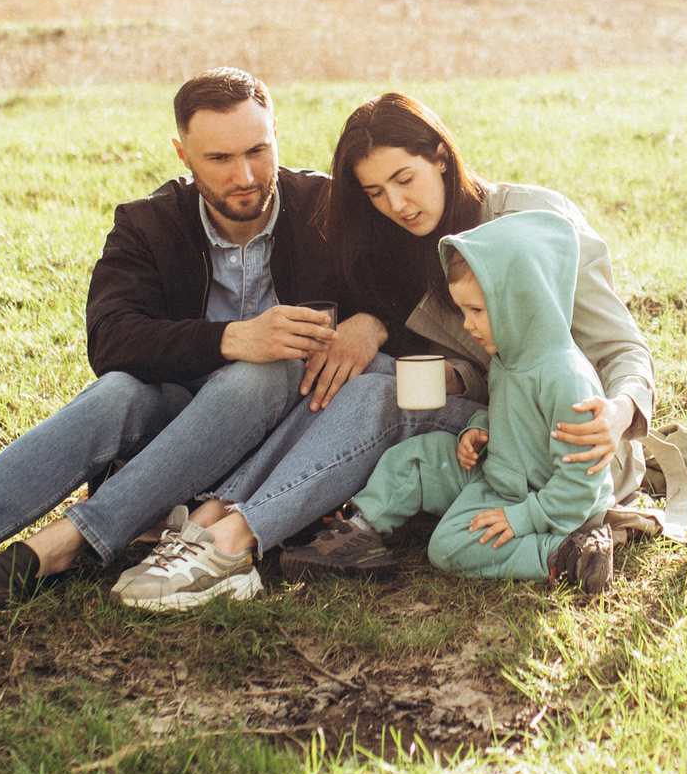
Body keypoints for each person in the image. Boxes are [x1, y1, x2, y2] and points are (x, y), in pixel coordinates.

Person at [0, 68, 396, 627]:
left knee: (262, 375)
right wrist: (229, 338)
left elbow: (409, 273)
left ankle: (60, 548)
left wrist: (372, 320)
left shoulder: (326, 208)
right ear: (182, 154)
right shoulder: (148, 223)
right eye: (219, 158)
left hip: (278, 429)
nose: (244, 175)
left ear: (276, 138)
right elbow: (111, 339)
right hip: (175, 418)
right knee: (119, 391)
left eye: (257, 151)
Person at [150, 91, 654, 579]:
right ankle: (228, 512)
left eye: (404, 178)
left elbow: (621, 349)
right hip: (495, 428)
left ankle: (237, 532)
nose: (396, 203)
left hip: (577, 443)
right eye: (375, 192)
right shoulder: (391, 249)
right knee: (362, 376)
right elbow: (482, 369)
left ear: (440, 157)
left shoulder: (531, 223)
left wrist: (619, 412)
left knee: (379, 394)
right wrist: (395, 338)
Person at [344, 212, 617, 590]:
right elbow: (516, 420)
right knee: (421, 455)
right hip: (506, 477)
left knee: (449, 546)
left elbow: (581, 481)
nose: (467, 324)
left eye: (476, 311)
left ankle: (567, 555)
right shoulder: (507, 356)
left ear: (520, 301)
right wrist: (481, 429)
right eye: (463, 311)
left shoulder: (565, 377)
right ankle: (360, 528)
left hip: (553, 505)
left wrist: (523, 519)